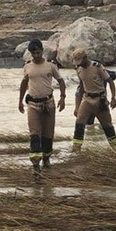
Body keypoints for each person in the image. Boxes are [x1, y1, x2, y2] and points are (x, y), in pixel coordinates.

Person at [18, 38, 66, 174]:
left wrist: (63, 98)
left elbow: (61, 81)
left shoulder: (50, 66)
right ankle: (35, 164)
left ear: (42, 51)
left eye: (38, 52)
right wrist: (20, 101)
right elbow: (23, 84)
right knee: (34, 134)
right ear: (30, 53)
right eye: (34, 53)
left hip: (48, 104)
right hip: (33, 104)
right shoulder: (27, 67)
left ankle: (46, 158)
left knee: (48, 134)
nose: (36, 55)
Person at [71, 48, 116, 151]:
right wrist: (77, 106)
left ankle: (115, 148)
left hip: (99, 99)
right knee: (79, 122)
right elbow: (81, 87)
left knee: (107, 125)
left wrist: (113, 97)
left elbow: (110, 81)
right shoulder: (78, 69)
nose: (79, 64)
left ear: (85, 58)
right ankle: (76, 147)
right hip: (87, 99)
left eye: (80, 62)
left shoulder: (97, 67)